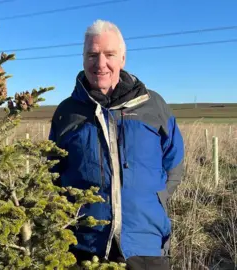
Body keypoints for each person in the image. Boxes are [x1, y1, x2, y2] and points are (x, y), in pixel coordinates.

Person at [48, 20, 184, 270]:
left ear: (122, 58)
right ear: (83, 59)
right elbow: (54, 170)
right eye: (92, 55)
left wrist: (155, 199)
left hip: (146, 244)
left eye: (109, 54)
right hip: (85, 246)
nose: (100, 64)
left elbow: (173, 162)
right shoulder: (67, 112)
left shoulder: (153, 106)